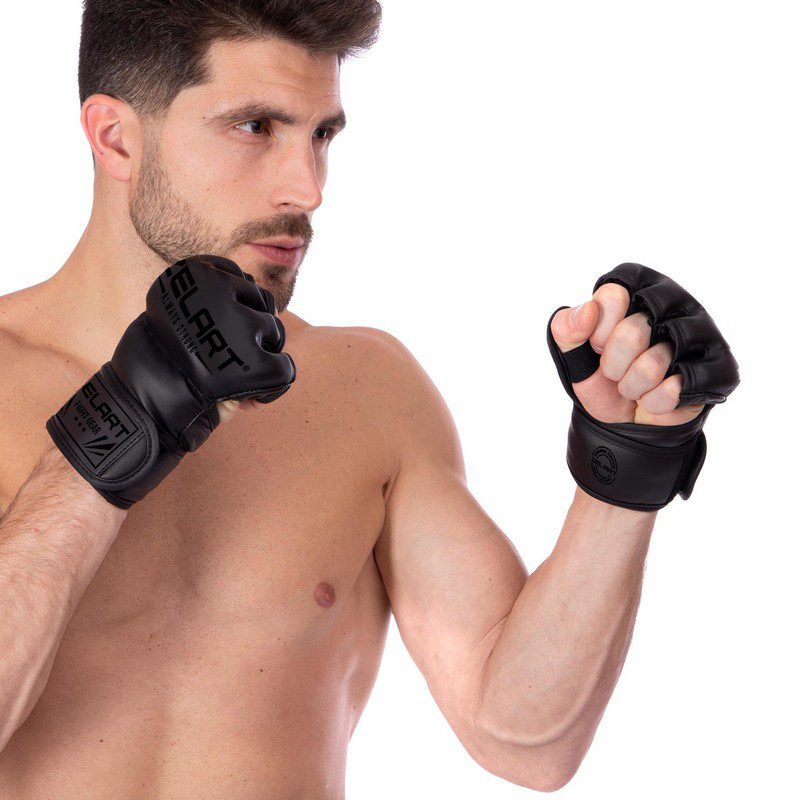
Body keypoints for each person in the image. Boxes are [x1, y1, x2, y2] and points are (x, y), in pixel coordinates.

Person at [0, 2, 738, 797]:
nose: (307, 188)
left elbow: (526, 739)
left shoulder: (366, 392)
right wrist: (120, 423)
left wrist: (629, 461)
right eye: (254, 127)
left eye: (322, 134)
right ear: (116, 137)